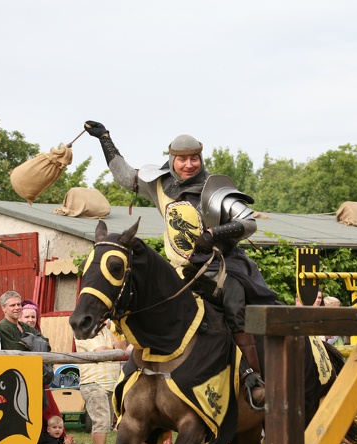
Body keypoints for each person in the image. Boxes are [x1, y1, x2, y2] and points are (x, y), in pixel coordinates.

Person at [85, 120, 277, 409]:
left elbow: (248, 223)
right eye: (182, 159)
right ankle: (140, 383)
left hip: (219, 266)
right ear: (172, 159)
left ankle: (253, 378)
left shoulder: (216, 189)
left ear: (201, 158)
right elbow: (125, 177)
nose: (189, 164)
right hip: (179, 271)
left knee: (234, 305)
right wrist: (104, 139)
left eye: (194, 158)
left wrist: (213, 233)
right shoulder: (160, 183)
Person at [0, 290, 52, 444]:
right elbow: (16, 351)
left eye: (19, 304)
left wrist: (33, 343)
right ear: (3, 308)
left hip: (29, 383)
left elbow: (45, 343)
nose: (17, 308)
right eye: (13, 305)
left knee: (25, 427)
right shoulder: (2, 328)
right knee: (10, 429)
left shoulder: (23, 326)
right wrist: (34, 345)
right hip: (13, 386)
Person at [75, 320, 124, 444]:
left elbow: (122, 349)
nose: (105, 319)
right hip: (94, 383)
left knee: (105, 422)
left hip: (110, 384)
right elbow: (101, 351)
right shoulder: (84, 331)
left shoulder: (108, 331)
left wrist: (116, 332)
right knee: (101, 422)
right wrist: (113, 349)